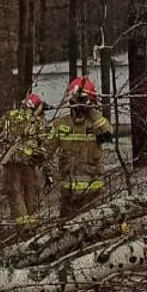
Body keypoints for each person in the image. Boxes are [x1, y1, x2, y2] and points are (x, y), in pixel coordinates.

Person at [49, 77, 114, 217]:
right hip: (68, 195)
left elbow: (108, 134)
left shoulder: (96, 123)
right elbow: (47, 151)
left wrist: (91, 111)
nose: (78, 106)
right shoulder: (61, 124)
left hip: (93, 194)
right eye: (75, 101)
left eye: (82, 101)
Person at [0, 93, 50, 226]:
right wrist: (47, 170)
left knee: (15, 193)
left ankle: (22, 226)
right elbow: (44, 143)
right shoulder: (38, 120)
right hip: (29, 161)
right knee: (31, 193)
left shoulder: (10, 115)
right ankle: (31, 226)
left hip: (10, 160)